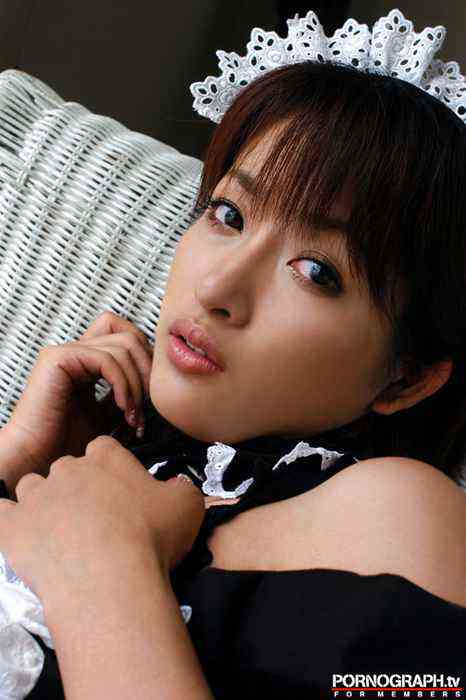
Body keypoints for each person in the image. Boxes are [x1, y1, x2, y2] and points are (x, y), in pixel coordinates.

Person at [0, 7, 465, 699]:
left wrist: (105, 561)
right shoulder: (97, 463)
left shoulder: (401, 513)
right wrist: (15, 463)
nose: (216, 288)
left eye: (317, 272)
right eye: (228, 215)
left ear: (408, 378)